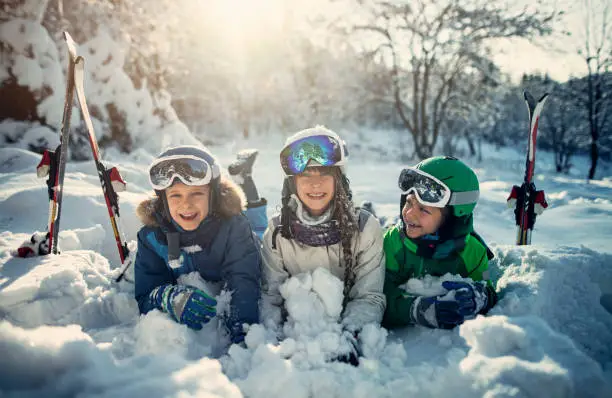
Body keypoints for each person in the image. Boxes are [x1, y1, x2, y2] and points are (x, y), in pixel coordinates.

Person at [261, 126, 386, 365]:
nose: (315, 184)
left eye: (324, 175)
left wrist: (351, 335)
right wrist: (275, 339)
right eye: (306, 176)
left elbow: (369, 296)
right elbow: (270, 298)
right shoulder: (277, 234)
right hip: (299, 329)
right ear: (292, 183)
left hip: (342, 327)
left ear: (339, 179)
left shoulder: (365, 228)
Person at [134, 145, 264, 345]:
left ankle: (244, 178)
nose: (186, 204)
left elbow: (243, 280)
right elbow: (145, 294)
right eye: (175, 195)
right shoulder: (151, 238)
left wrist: (242, 333)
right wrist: (166, 297)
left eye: (196, 193)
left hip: (245, 236)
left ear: (212, 196)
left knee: (258, 228)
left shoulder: (235, 227)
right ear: (163, 201)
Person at [382, 156, 497, 330]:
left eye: (423, 209)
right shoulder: (392, 243)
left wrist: (479, 297)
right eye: (408, 202)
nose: (409, 214)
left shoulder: (472, 252)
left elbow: (488, 288)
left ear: (452, 218)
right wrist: (416, 310)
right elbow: (379, 296)